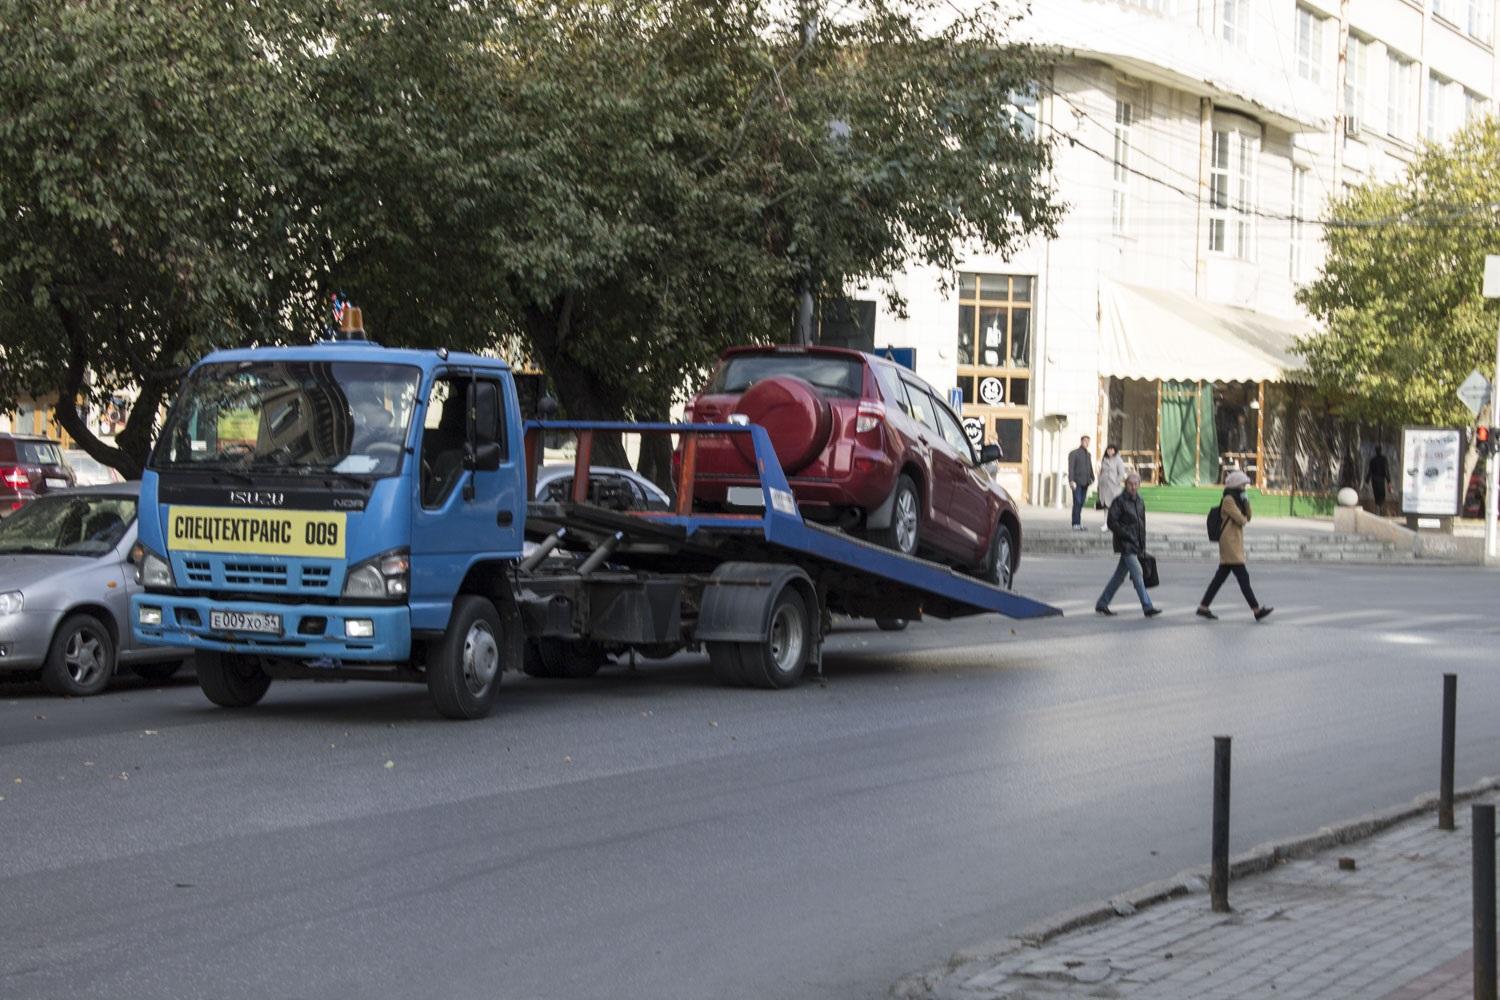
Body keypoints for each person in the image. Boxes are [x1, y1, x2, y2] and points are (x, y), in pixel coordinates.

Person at [1197, 470, 1273, 622]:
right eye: (1243, 485)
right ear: (1236, 485)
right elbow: (1241, 520)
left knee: (1219, 578)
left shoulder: (1238, 499)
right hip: (1229, 543)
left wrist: (1246, 502)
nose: (1245, 488)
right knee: (1243, 577)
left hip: (1234, 542)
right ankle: (1256, 610)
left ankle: (1203, 607)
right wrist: (1243, 511)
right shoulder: (1228, 500)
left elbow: (1248, 517)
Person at [1096, 471, 1160, 618]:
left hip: (1136, 543)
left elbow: (1141, 524)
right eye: (1131, 484)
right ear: (1126, 485)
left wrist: (1142, 544)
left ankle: (1102, 603)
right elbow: (1112, 522)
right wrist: (1126, 534)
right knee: (1137, 572)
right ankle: (1147, 606)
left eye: (1136, 484)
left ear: (1139, 485)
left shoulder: (1139, 501)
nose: (1133, 486)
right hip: (1125, 544)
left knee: (1118, 577)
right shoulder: (1119, 501)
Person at [1096, 444, 1127, 532]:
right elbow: (1101, 471)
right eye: (1108, 450)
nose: (1110, 451)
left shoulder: (1118, 460)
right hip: (1104, 486)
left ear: (1115, 451)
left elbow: (1121, 473)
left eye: (1112, 450)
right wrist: (1099, 481)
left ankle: (1116, 524)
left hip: (1114, 487)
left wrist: (1116, 482)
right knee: (1105, 506)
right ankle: (1106, 524)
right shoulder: (1104, 459)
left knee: (1114, 506)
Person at [1068, 435, 1094, 531]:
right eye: (1085, 441)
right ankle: (1076, 523)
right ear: (1081, 441)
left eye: (1088, 441)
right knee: (1077, 502)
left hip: (1085, 483)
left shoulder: (1088, 454)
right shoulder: (1074, 453)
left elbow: (1090, 467)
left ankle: (1078, 523)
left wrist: (1092, 478)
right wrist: (1071, 480)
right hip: (1077, 483)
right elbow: (1071, 468)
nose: (1087, 443)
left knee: (1081, 503)